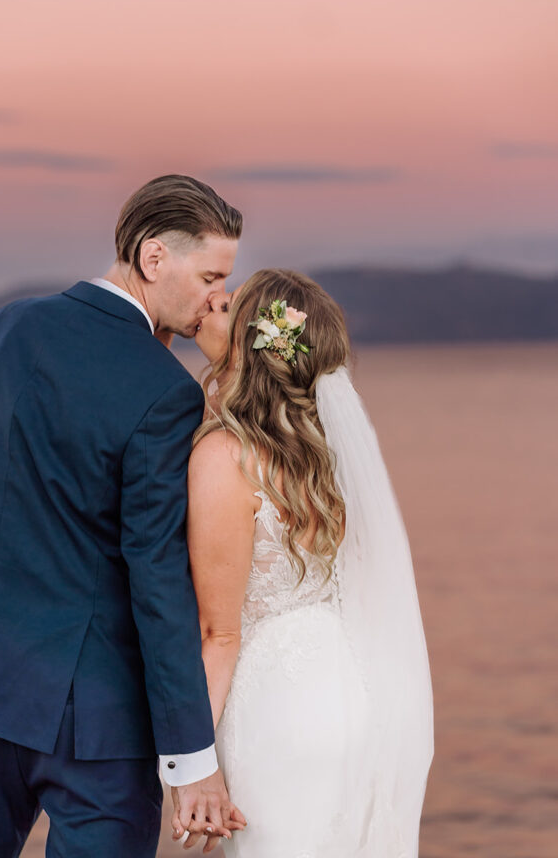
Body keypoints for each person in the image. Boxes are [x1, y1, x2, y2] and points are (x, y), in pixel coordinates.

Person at [0, 174, 247, 858]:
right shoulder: (164, 392)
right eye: (211, 273)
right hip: (97, 724)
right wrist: (192, 757)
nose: (219, 296)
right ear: (154, 258)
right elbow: (156, 578)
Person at [178, 268, 434, 856]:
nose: (214, 301)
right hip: (349, 689)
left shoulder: (226, 457)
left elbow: (219, 633)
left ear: (251, 345)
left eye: (230, 305)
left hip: (279, 708)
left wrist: (189, 767)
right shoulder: (319, 455)